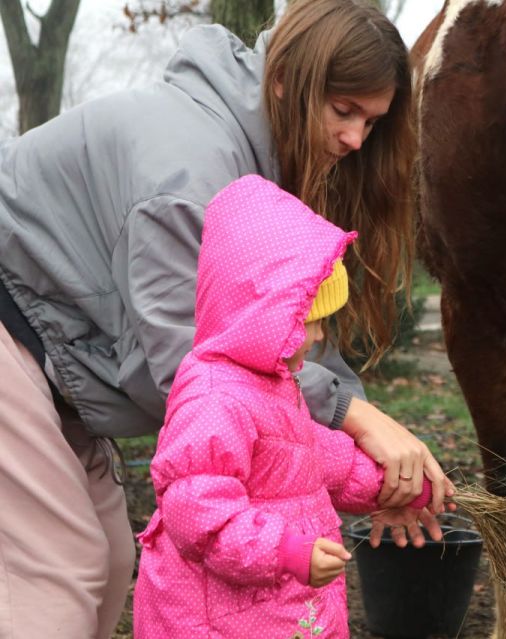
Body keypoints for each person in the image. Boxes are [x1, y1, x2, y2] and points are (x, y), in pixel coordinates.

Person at [0, 1, 450, 637]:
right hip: (12, 334)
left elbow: (283, 326)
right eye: (343, 110)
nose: (355, 139)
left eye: (371, 122)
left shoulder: (253, 161)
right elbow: (194, 364)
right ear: (285, 80)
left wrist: (374, 463)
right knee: (58, 576)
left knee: (111, 559)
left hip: (50, 357)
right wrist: (356, 416)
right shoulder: (190, 178)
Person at [134, 175, 444, 638]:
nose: (317, 337)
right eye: (306, 321)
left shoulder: (271, 383)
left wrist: (394, 486)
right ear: (260, 313)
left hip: (280, 610)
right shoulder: (215, 398)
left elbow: (314, 459)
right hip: (220, 621)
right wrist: (286, 552)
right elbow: (200, 515)